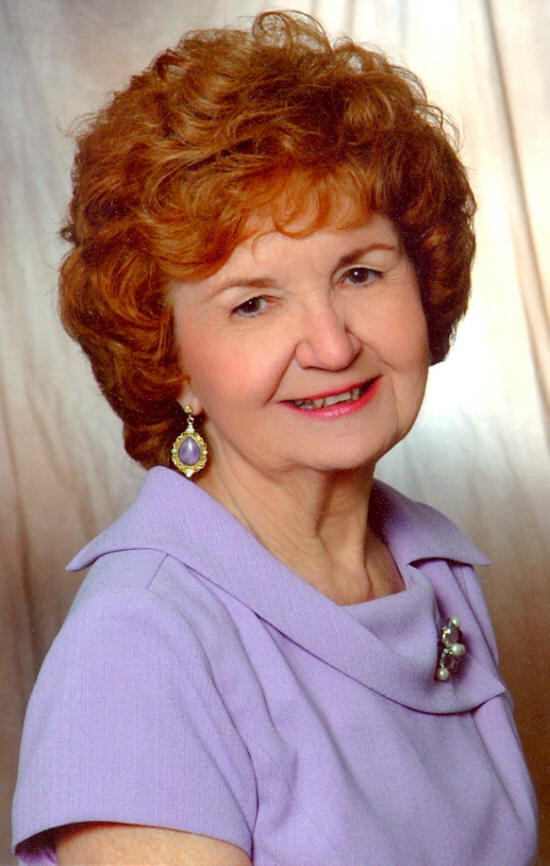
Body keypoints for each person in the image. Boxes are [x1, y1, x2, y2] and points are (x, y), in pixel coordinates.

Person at [12, 10, 537, 865]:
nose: (331, 345)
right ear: (168, 358)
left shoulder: (431, 571)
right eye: (253, 302)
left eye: (360, 272)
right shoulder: (140, 644)